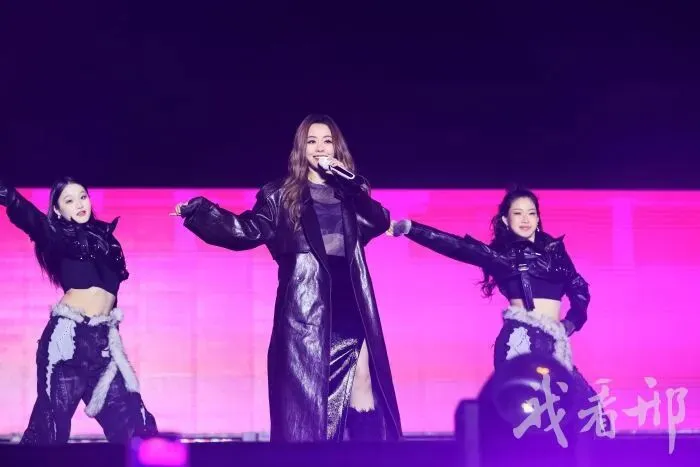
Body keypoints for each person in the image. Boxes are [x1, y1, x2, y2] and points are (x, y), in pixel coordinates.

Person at [171, 114, 402, 442]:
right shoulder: (280, 194)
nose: (320, 148)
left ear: (337, 147)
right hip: (305, 311)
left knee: (363, 383)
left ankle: (367, 457)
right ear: (301, 149)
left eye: (327, 141)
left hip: (351, 303)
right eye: (312, 141)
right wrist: (200, 213)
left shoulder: (350, 191)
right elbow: (247, 230)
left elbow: (379, 221)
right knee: (309, 407)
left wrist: (351, 185)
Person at [387, 186, 609, 434]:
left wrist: (571, 322)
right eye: (518, 213)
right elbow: (457, 247)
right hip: (521, 341)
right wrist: (411, 229)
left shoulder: (555, 251)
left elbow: (579, 289)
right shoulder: (501, 256)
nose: (525, 219)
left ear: (538, 218)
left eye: (531, 213)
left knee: (591, 416)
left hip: (555, 343)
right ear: (505, 219)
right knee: (526, 422)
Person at [0, 177, 158, 444]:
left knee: (136, 426)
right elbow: (27, 214)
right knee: (49, 430)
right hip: (67, 340)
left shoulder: (108, 240)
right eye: (69, 200)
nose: (79, 204)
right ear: (58, 210)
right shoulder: (55, 235)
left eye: (83, 197)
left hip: (102, 345)